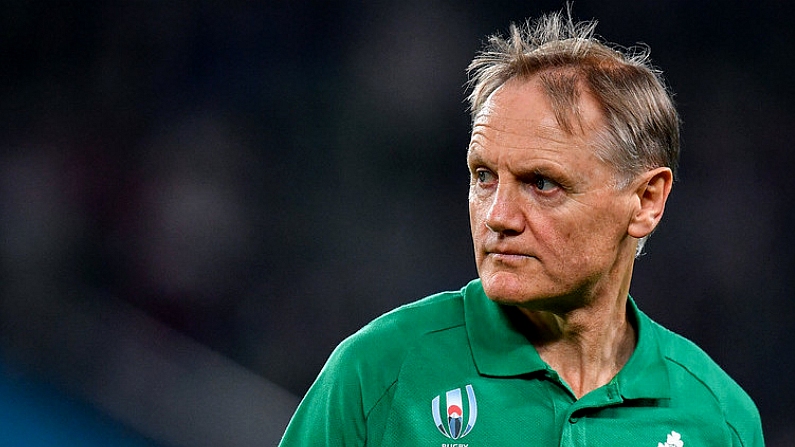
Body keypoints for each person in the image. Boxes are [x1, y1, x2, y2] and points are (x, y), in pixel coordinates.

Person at [279, 8, 764, 446]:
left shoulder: (719, 420)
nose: (498, 216)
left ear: (645, 201)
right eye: (484, 176)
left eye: (542, 183)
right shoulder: (376, 375)